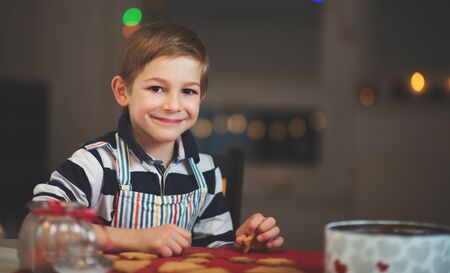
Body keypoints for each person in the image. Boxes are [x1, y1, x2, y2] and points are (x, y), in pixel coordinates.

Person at [31, 22, 283, 257]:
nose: (173, 105)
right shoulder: (97, 163)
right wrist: (133, 239)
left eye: (188, 91)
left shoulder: (205, 172)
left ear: (201, 98)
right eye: (157, 88)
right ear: (123, 91)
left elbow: (212, 254)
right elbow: (39, 228)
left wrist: (245, 245)